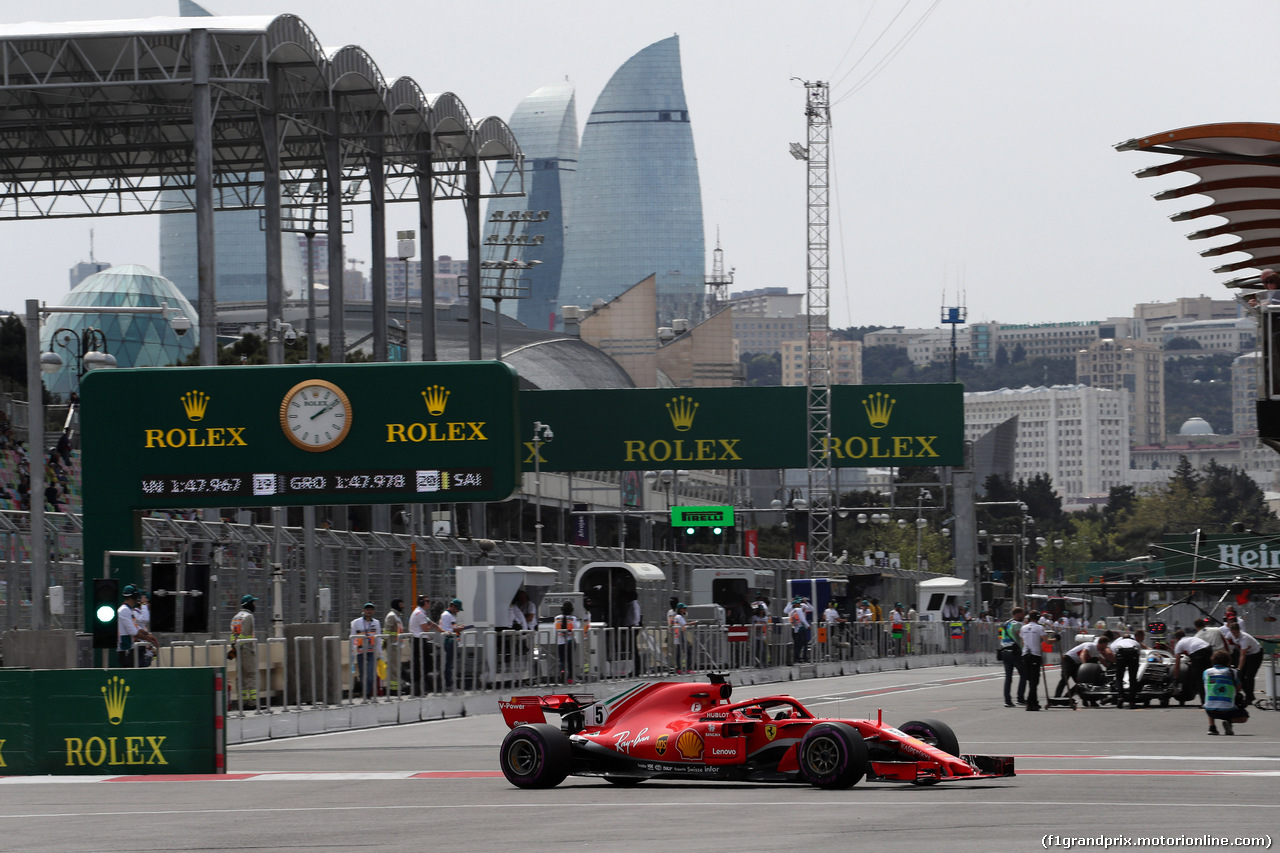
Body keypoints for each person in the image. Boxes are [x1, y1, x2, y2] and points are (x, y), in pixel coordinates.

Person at [1204, 649, 1244, 736]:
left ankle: (1212, 727)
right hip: (1228, 710)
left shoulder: (1206, 672)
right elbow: (1239, 688)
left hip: (1210, 710)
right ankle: (1229, 721)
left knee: (1211, 699)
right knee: (1244, 717)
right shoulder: (1233, 672)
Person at [1225, 621, 1264, 705]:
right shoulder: (1230, 634)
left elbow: (1242, 655)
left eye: (1236, 632)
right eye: (1233, 632)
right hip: (1247, 654)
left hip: (1255, 655)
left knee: (1249, 676)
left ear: (1239, 630)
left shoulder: (1244, 638)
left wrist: (1239, 669)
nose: (1235, 634)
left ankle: (1249, 698)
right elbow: (1225, 640)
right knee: (1241, 677)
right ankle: (1249, 695)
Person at [117, 585, 156, 669]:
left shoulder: (128, 610)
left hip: (130, 649)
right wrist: (147, 639)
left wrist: (148, 634)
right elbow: (133, 632)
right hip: (126, 650)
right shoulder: (124, 610)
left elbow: (136, 628)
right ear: (134, 596)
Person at [229, 594, 259, 706]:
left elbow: (233, 636)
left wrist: (233, 649)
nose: (255, 605)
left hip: (237, 650)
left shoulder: (236, 617)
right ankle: (252, 702)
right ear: (249, 604)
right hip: (246, 649)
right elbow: (245, 634)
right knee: (250, 675)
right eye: (253, 602)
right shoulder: (248, 617)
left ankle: (242, 702)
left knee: (240, 676)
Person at [407, 595, 440, 694]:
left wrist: (445, 631)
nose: (429, 603)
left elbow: (432, 624)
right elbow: (426, 628)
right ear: (422, 603)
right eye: (427, 601)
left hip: (420, 640)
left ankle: (423, 687)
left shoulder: (422, 613)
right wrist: (432, 626)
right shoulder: (420, 613)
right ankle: (418, 689)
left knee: (425, 664)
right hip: (418, 640)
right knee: (419, 665)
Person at [1172, 629, 1214, 704]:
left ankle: (1204, 702)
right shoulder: (1192, 638)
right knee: (1209, 676)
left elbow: (1177, 663)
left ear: (1176, 638)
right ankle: (1213, 698)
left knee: (1199, 679)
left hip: (1198, 653)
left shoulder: (1179, 643)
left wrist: (1176, 678)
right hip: (1208, 649)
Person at [350, 603, 381, 700]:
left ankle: (367, 691)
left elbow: (378, 638)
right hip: (360, 652)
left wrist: (379, 653)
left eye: (371, 609)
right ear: (363, 610)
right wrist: (352, 652)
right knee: (363, 673)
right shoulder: (356, 622)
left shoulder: (376, 623)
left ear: (373, 611)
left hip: (371, 652)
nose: (369, 611)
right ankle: (365, 692)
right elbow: (352, 637)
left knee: (371, 673)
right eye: (367, 609)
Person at [1019, 610, 1047, 711]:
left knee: (1031, 680)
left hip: (1025, 655)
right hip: (1035, 655)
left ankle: (1034, 702)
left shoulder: (1023, 627)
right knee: (1034, 681)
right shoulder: (1040, 628)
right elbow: (1047, 641)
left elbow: (1023, 642)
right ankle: (1030, 703)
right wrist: (1056, 639)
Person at [999, 607, 1026, 707]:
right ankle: (1020, 698)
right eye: (1023, 614)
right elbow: (1021, 637)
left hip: (1004, 651)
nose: (1023, 616)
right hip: (1015, 652)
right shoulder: (1017, 624)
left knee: (1008, 677)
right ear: (1018, 614)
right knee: (1024, 674)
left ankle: (1007, 701)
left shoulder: (1006, 623)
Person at [1110, 629, 1145, 708]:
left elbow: (1114, 655)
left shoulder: (1118, 642)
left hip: (1120, 653)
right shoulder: (1135, 642)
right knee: (1132, 678)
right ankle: (1132, 701)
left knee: (1119, 677)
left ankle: (1120, 697)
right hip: (1133, 653)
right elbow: (1139, 654)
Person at [438, 598, 465, 690]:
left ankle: (450, 683)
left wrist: (458, 628)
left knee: (451, 663)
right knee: (449, 664)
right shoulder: (446, 615)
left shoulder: (451, 616)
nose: (458, 611)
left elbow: (452, 627)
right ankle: (448, 684)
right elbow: (446, 629)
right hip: (449, 641)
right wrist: (457, 629)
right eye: (457, 609)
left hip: (453, 640)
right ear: (453, 606)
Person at [383, 599, 406, 695]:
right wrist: (386, 643)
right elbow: (386, 631)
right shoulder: (392, 616)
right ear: (396, 605)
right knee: (393, 668)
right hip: (392, 646)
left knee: (396, 667)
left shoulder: (396, 616)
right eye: (401, 604)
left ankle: (396, 688)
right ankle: (393, 690)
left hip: (397, 645)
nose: (403, 606)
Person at [555, 600, 580, 684]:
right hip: (570, 641)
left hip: (560, 642)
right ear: (571, 610)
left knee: (562, 660)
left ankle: (562, 671)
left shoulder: (557, 618)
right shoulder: (573, 618)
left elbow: (555, 628)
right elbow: (576, 628)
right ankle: (570, 678)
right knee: (570, 660)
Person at [669, 602, 690, 674]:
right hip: (681, 637)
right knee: (688, 652)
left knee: (678, 653)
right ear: (680, 610)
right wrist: (692, 623)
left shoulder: (676, 617)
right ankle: (687, 668)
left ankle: (678, 668)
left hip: (677, 636)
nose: (685, 610)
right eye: (684, 609)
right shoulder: (679, 617)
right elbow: (684, 626)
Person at [789, 597, 811, 664]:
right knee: (804, 643)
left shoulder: (792, 611)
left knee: (797, 644)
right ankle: (803, 658)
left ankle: (797, 658)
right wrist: (808, 625)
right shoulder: (798, 610)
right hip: (801, 628)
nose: (799, 604)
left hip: (795, 629)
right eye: (798, 603)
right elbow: (802, 619)